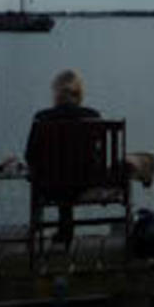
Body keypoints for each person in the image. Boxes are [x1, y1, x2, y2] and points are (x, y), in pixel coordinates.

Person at [26, 69, 100, 245]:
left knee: (59, 177)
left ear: (56, 93)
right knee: (71, 174)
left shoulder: (42, 117)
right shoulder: (93, 116)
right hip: (85, 184)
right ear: (79, 93)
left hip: (50, 185)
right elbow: (97, 153)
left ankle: (58, 232)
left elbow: (30, 156)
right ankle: (65, 232)